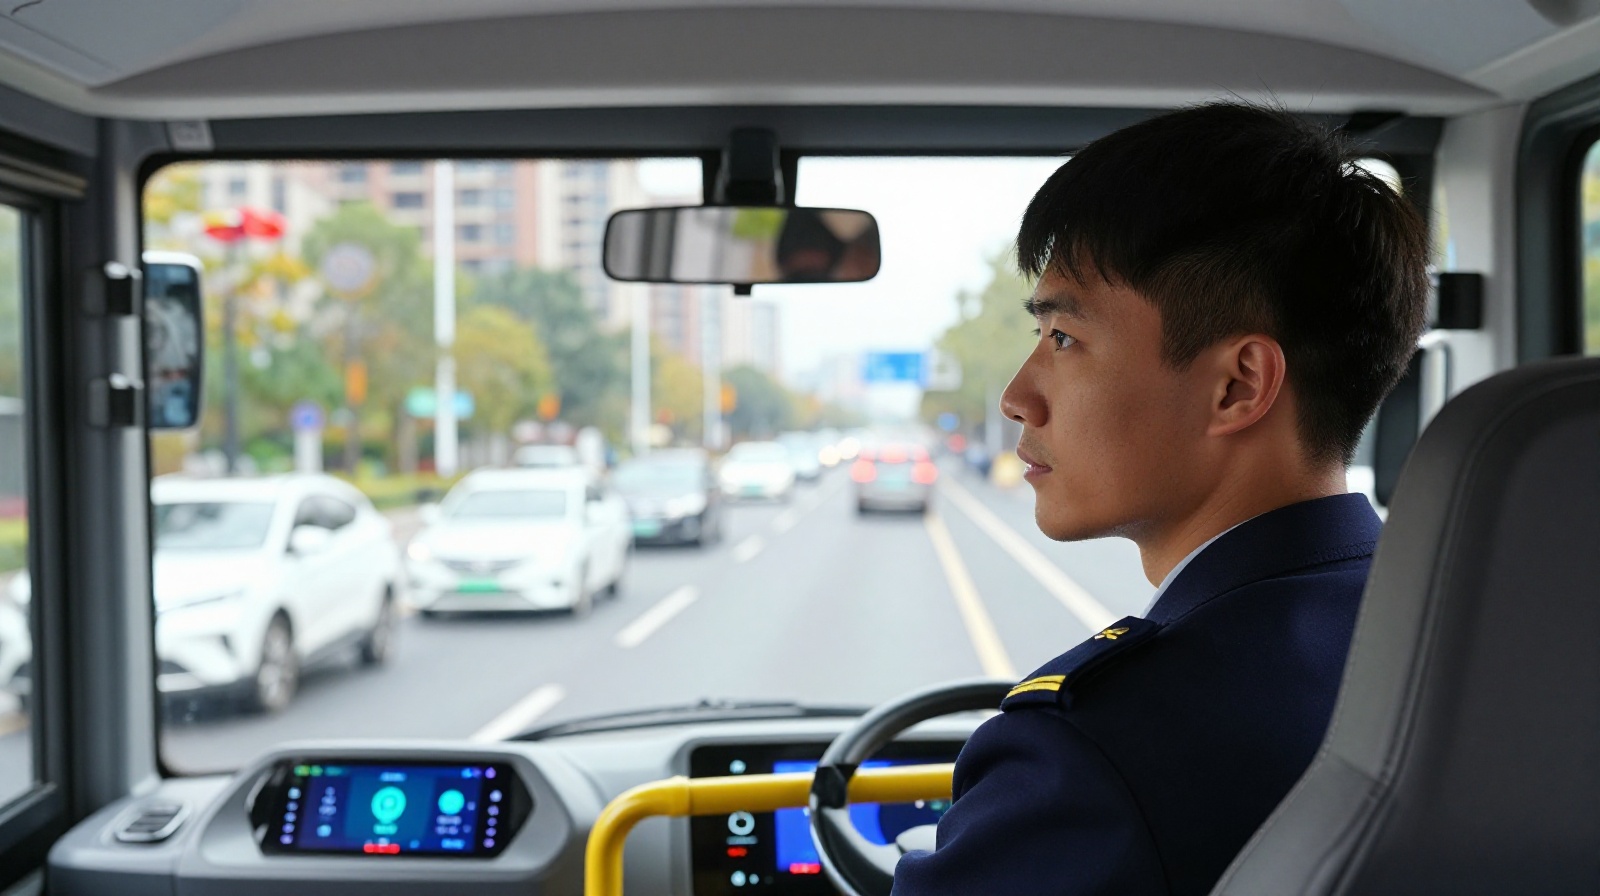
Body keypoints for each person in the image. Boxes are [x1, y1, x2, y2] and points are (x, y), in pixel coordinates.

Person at [891, 103, 1429, 895]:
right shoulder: (1479, 644)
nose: (1016, 396)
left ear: (1236, 386)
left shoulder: (1090, 754)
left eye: (1064, 339)